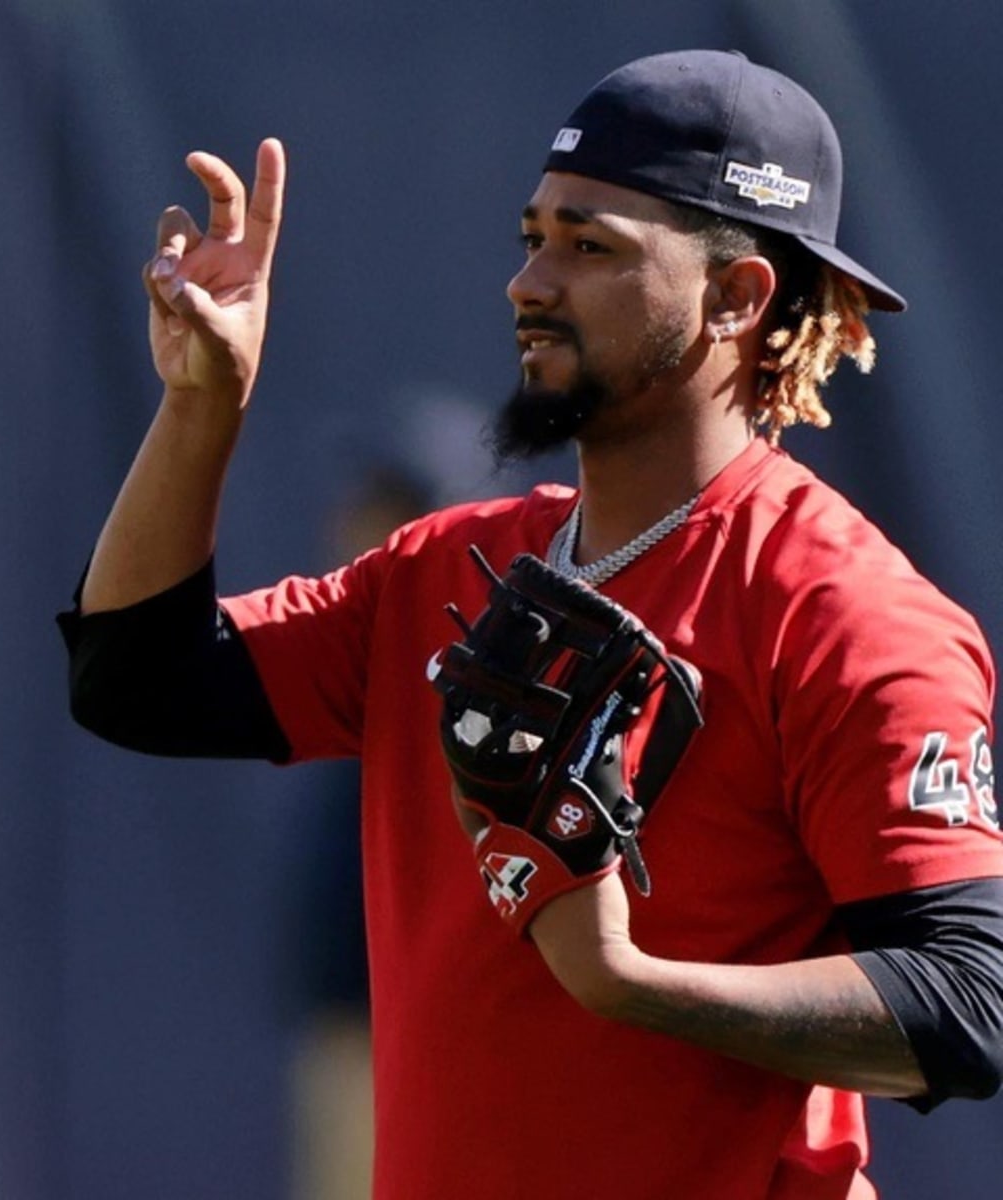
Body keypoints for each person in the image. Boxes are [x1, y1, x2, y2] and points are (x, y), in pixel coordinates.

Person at [59, 49, 1003, 1200]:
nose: (529, 281)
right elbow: (136, 680)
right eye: (534, 236)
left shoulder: (845, 610)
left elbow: (967, 1001)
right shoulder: (441, 569)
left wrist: (624, 978)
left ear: (740, 296)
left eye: (592, 245)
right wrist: (202, 407)